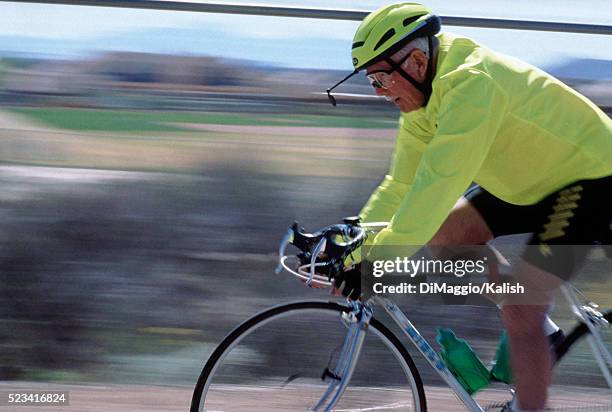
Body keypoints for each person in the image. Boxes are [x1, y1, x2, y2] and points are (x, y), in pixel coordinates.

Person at [326, 3, 612, 411]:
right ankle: (541, 335)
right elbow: (402, 184)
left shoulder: (470, 86)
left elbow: (435, 188)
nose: (378, 91)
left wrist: (375, 261)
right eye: (371, 80)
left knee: (520, 308)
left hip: (592, 177)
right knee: (449, 233)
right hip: (533, 180)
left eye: (381, 77)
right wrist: (351, 236)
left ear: (418, 61)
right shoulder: (422, 100)